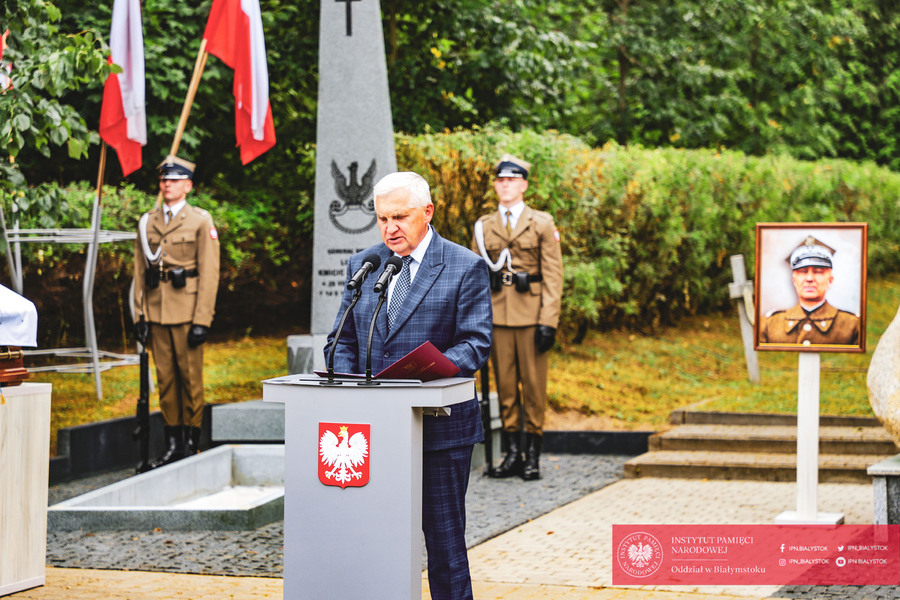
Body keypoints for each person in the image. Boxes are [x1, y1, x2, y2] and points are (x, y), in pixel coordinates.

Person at [324, 171, 492, 600]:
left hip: (438, 429)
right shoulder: (364, 264)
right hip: (373, 430)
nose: (389, 228)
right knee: (373, 538)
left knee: (444, 544)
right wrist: (347, 386)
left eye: (399, 216)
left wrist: (425, 372)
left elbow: (475, 344)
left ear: (427, 212)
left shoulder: (464, 266)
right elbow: (341, 340)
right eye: (381, 218)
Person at [472, 153, 563, 481]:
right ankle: (512, 454)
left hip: (532, 315)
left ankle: (533, 456)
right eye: (500, 180)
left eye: (511, 180)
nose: (505, 185)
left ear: (523, 184)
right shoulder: (484, 226)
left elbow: (553, 275)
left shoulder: (541, 222)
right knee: (507, 388)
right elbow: (476, 276)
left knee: (534, 389)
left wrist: (548, 321)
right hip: (498, 315)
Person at [133, 155, 220, 469]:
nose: (167, 185)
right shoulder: (148, 222)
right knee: (165, 380)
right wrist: (139, 316)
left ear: (188, 186)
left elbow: (210, 274)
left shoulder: (200, 221)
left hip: (187, 313)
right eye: (164, 180)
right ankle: (172, 445)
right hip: (156, 313)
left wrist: (202, 320)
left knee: (190, 380)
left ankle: (192, 443)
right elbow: (139, 274)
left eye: (173, 180)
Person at [759, 236, 859, 346]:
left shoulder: (852, 325)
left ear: (830, 280)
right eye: (803, 271)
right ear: (794, 280)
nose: (810, 278)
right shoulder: (770, 324)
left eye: (818, 272)